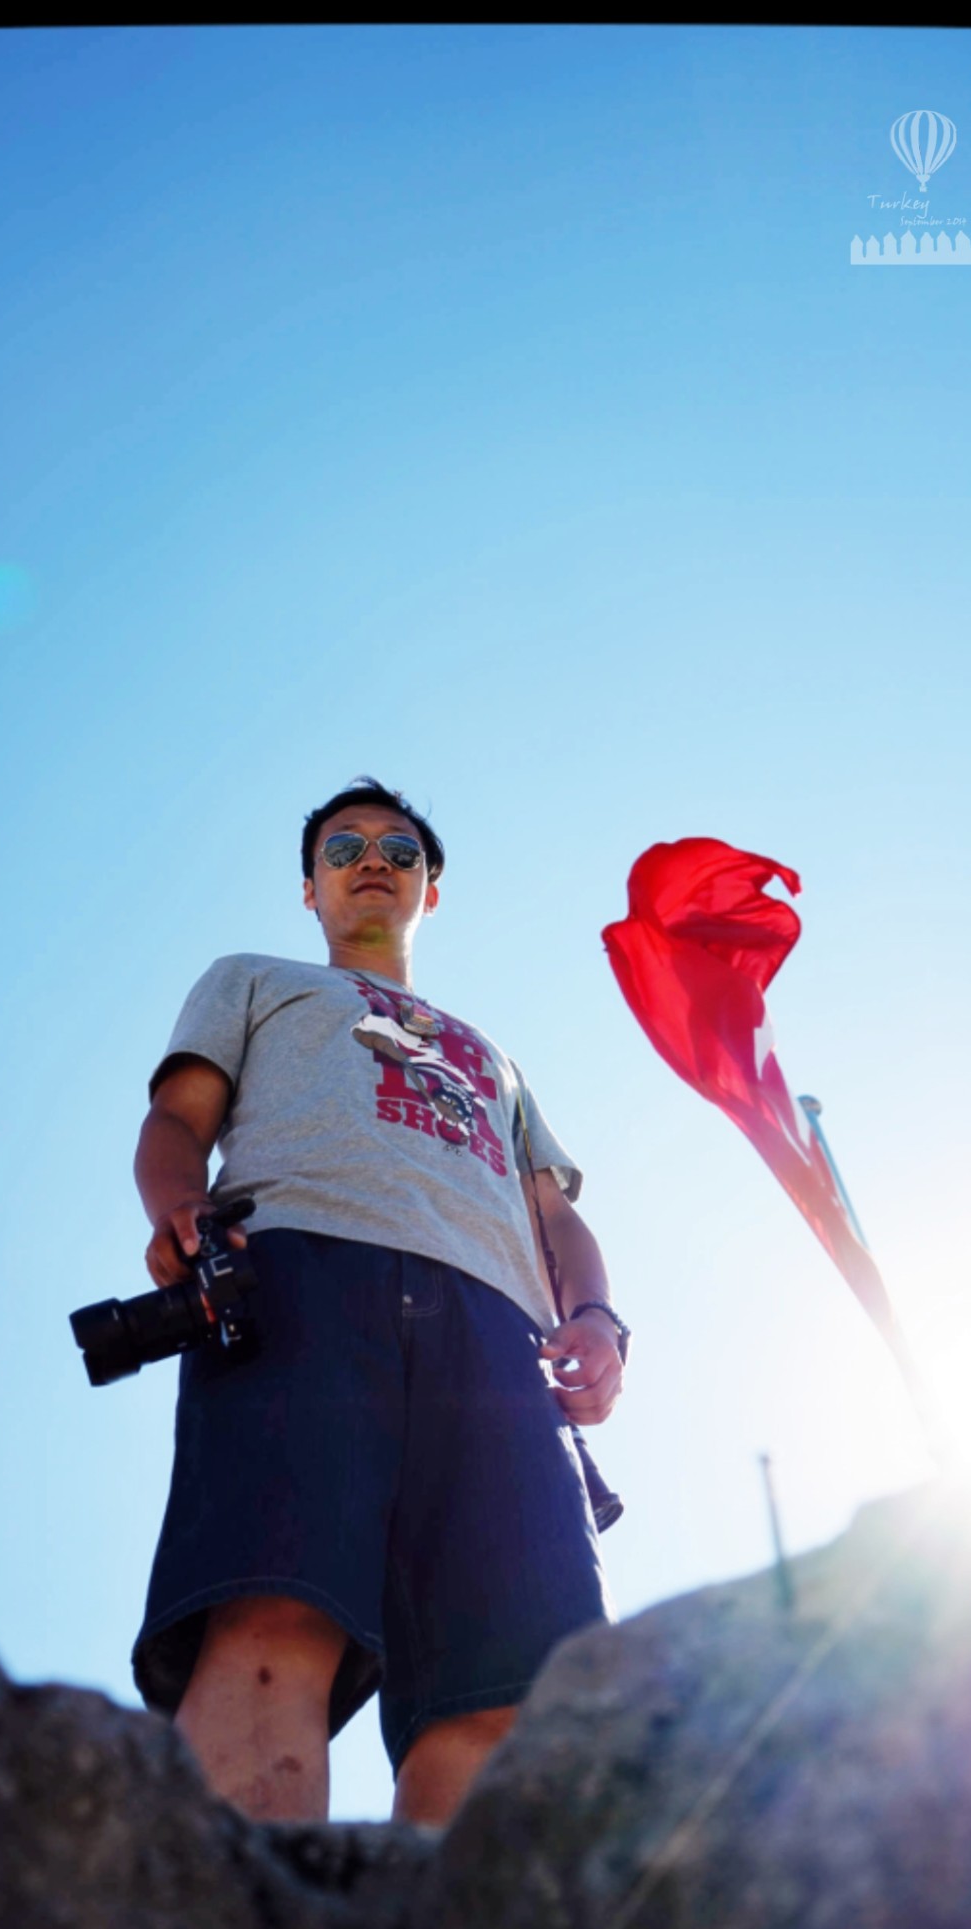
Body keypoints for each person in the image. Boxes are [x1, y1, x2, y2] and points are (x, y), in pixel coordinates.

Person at [130, 775, 628, 1827]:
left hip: (498, 1338)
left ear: (428, 892)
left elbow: (554, 1212)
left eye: (400, 851)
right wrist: (178, 1206)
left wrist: (595, 1316)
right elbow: (177, 1119)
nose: (372, 861)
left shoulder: (496, 1058)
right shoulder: (254, 981)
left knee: (509, 1696)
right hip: (299, 1278)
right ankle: (237, 1926)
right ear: (309, 886)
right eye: (344, 846)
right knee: (272, 1620)